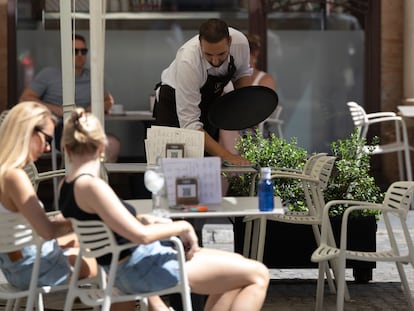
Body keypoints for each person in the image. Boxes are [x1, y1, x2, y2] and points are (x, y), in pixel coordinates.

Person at [59, 108, 270, 311]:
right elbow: (140, 236)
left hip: (128, 266)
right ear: (102, 147)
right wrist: (182, 226)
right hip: (142, 267)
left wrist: (145, 219)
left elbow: (111, 224)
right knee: (258, 273)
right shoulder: (91, 186)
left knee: (235, 270)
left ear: (67, 148)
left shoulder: (66, 187)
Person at [0, 102, 97, 291]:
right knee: (113, 259)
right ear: (28, 131)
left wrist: (65, 224)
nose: (47, 148)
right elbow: (47, 231)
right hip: (35, 270)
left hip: (17, 268)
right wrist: (80, 219)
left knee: (84, 242)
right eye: (46, 139)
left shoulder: (5, 172)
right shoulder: (15, 176)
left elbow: (27, 229)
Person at [153, 18, 252, 166]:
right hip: (173, 104)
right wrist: (228, 156)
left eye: (221, 54)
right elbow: (190, 123)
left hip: (209, 102)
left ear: (229, 41)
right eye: (209, 55)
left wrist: (243, 110)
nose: (216, 61)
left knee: (206, 165)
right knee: (171, 167)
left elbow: (242, 74)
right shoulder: (188, 60)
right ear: (200, 43)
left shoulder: (240, 43)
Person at [19, 34, 121, 163]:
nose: (80, 55)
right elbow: (25, 98)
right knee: (80, 143)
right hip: (58, 127)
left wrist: (94, 108)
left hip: (85, 125)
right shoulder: (49, 74)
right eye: (75, 51)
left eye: (83, 51)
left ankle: (94, 179)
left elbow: (109, 101)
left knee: (113, 144)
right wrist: (58, 109)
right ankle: (77, 179)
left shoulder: (93, 76)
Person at [219, 33, 277, 155]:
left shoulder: (265, 79)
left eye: (245, 56)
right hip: (230, 123)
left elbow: (262, 108)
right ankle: (229, 160)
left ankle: (232, 159)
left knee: (225, 123)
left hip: (254, 125)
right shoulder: (228, 77)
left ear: (254, 54)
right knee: (222, 123)